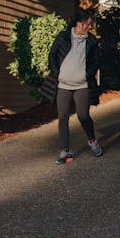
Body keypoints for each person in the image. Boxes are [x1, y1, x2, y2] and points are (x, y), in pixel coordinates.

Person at [45, 9, 103, 164]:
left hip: (82, 85)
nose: (89, 27)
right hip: (63, 85)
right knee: (63, 117)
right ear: (79, 23)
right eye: (87, 24)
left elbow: (96, 62)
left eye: (90, 24)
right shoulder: (63, 36)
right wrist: (56, 72)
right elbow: (52, 55)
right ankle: (64, 151)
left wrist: (87, 75)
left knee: (83, 115)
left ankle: (92, 140)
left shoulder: (91, 41)